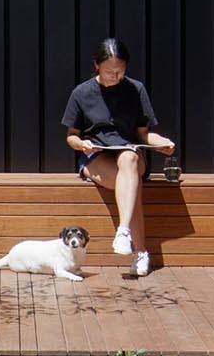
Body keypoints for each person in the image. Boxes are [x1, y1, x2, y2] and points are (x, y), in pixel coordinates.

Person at [62, 38, 175, 279]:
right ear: (96, 66)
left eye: (120, 70)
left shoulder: (136, 89)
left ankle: (123, 231)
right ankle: (141, 251)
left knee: (129, 160)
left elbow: (145, 135)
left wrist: (161, 143)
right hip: (97, 156)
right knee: (130, 185)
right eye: (109, 71)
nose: (115, 75)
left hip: (129, 153)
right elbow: (71, 136)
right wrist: (82, 144)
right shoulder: (81, 93)